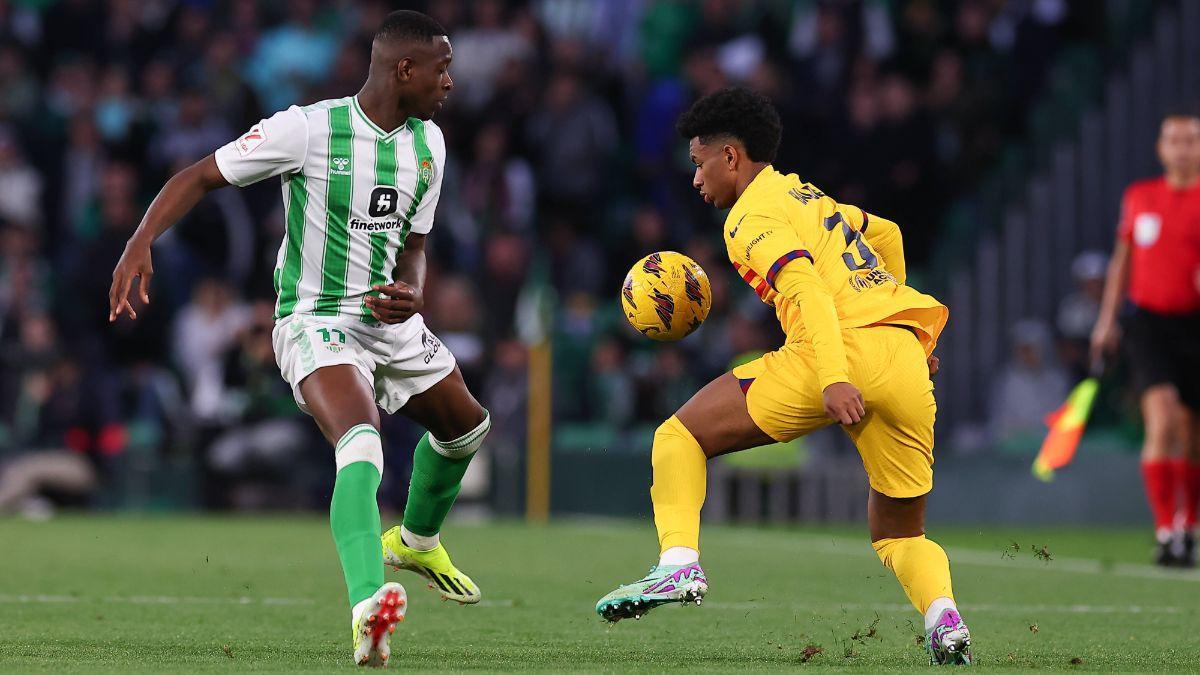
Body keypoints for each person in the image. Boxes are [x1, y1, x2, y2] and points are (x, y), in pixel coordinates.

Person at [109, 11, 489, 666]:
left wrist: (414, 289)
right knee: (362, 440)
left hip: (388, 324)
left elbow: (416, 245)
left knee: (466, 430)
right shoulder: (307, 129)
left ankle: (417, 541)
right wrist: (141, 239)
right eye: (442, 67)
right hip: (315, 318)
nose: (451, 81)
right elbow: (198, 175)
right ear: (405, 69)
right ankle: (369, 605)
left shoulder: (431, 144)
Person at [594, 88, 969, 665]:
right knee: (900, 535)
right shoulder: (806, 194)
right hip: (903, 359)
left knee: (678, 436)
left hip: (833, 354)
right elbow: (888, 234)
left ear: (731, 157)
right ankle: (944, 617)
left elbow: (809, 291)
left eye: (698, 164)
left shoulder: (749, 217)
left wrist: (835, 377)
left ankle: (677, 567)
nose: (695, 180)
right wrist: (903, 327)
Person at [1091, 111, 1200, 568]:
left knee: (1193, 435)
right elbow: (1122, 261)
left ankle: (1187, 527)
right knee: (1162, 421)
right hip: (1149, 324)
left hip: (1195, 323)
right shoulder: (1139, 197)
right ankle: (1164, 530)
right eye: (1173, 140)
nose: (1181, 148)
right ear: (1160, 148)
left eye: (1190, 140)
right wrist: (1106, 321)